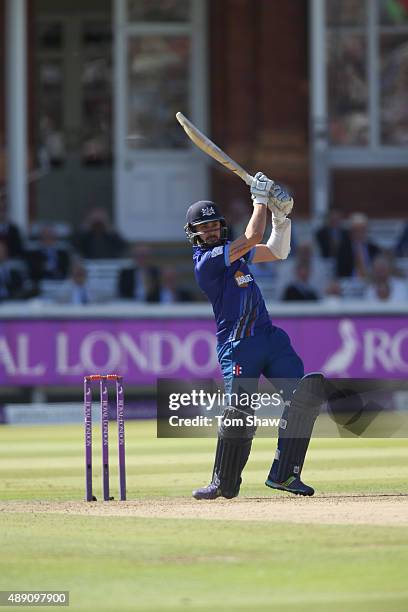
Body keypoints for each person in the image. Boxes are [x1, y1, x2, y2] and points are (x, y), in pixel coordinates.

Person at [186, 173, 325, 500]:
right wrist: (260, 199)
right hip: (237, 345)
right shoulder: (206, 263)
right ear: (193, 235)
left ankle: (285, 475)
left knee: (304, 395)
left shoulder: (235, 252)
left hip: (269, 338)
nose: (209, 232)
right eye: (202, 229)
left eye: (213, 226)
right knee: (240, 412)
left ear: (220, 226)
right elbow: (251, 236)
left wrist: (282, 218)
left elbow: (277, 251)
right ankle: (223, 482)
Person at [336, 213, 380, 278]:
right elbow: (340, 272)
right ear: (351, 231)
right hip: (350, 282)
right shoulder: (343, 249)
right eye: (357, 230)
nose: (360, 233)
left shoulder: (373, 248)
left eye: (363, 230)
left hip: (370, 281)